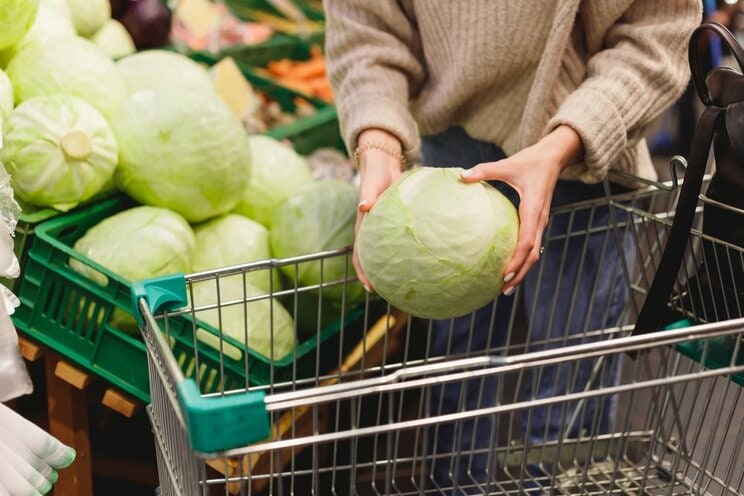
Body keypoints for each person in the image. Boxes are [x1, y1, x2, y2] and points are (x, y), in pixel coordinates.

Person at [325, 1, 702, 493]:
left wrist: (562, 144)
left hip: (578, 152)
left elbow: (657, 31)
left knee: (570, 373)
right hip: (450, 152)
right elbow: (367, 27)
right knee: (458, 371)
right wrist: (379, 145)